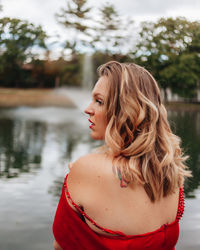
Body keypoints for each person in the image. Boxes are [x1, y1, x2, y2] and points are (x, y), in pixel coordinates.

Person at [53, 61, 191, 250]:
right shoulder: (172, 173)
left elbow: (61, 246)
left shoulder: (85, 168)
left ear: (126, 109)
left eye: (99, 101)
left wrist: (78, 173)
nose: (87, 109)